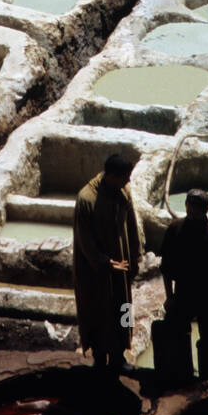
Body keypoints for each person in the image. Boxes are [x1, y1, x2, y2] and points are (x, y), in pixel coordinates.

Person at [73, 153, 141, 378]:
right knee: (98, 314)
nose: (128, 182)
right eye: (124, 177)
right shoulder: (87, 199)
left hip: (121, 267)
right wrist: (104, 263)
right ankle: (100, 358)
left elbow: (132, 225)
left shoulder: (123, 192)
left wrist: (135, 257)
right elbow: (84, 240)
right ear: (111, 176)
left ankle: (119, 357)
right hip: (96, 273)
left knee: (123, 309)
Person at [160, 189, 208, 383]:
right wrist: (169, 296)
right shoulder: (175, 229)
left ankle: (206, 380)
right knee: (176, 334)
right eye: (190, 205)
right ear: (185, 205)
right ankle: (182, 376)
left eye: (197, 207)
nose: (193, 210)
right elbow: (166, 267)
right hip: (183, 293)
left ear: (206, 210)